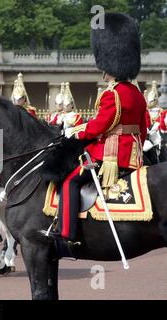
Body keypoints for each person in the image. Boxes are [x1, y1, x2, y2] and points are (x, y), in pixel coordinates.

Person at [47, 13, 147, 242]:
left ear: (109, 64)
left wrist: (74, 132)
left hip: (111, 156)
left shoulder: (113, 94)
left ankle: (66, 232)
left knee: (70, 180)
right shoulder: (137, 94)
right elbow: (142, 128)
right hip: (133, 154)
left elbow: (99, 127)